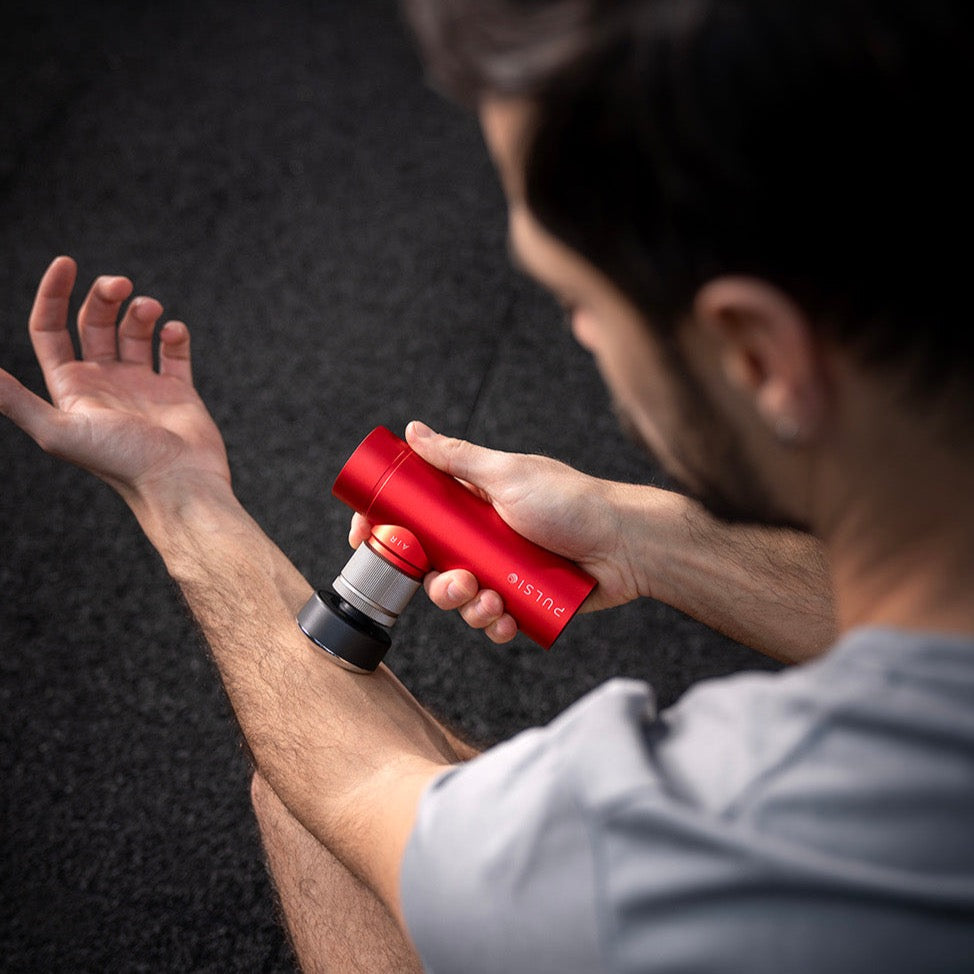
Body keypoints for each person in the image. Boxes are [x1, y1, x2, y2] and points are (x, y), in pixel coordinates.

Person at [1, 0, 971, 970]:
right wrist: (640, 534)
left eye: (577, 298)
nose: (583, 335)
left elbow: (347, 781)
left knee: (301, 810)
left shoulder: (688, 833)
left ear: (755, 353)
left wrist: (180, 495)